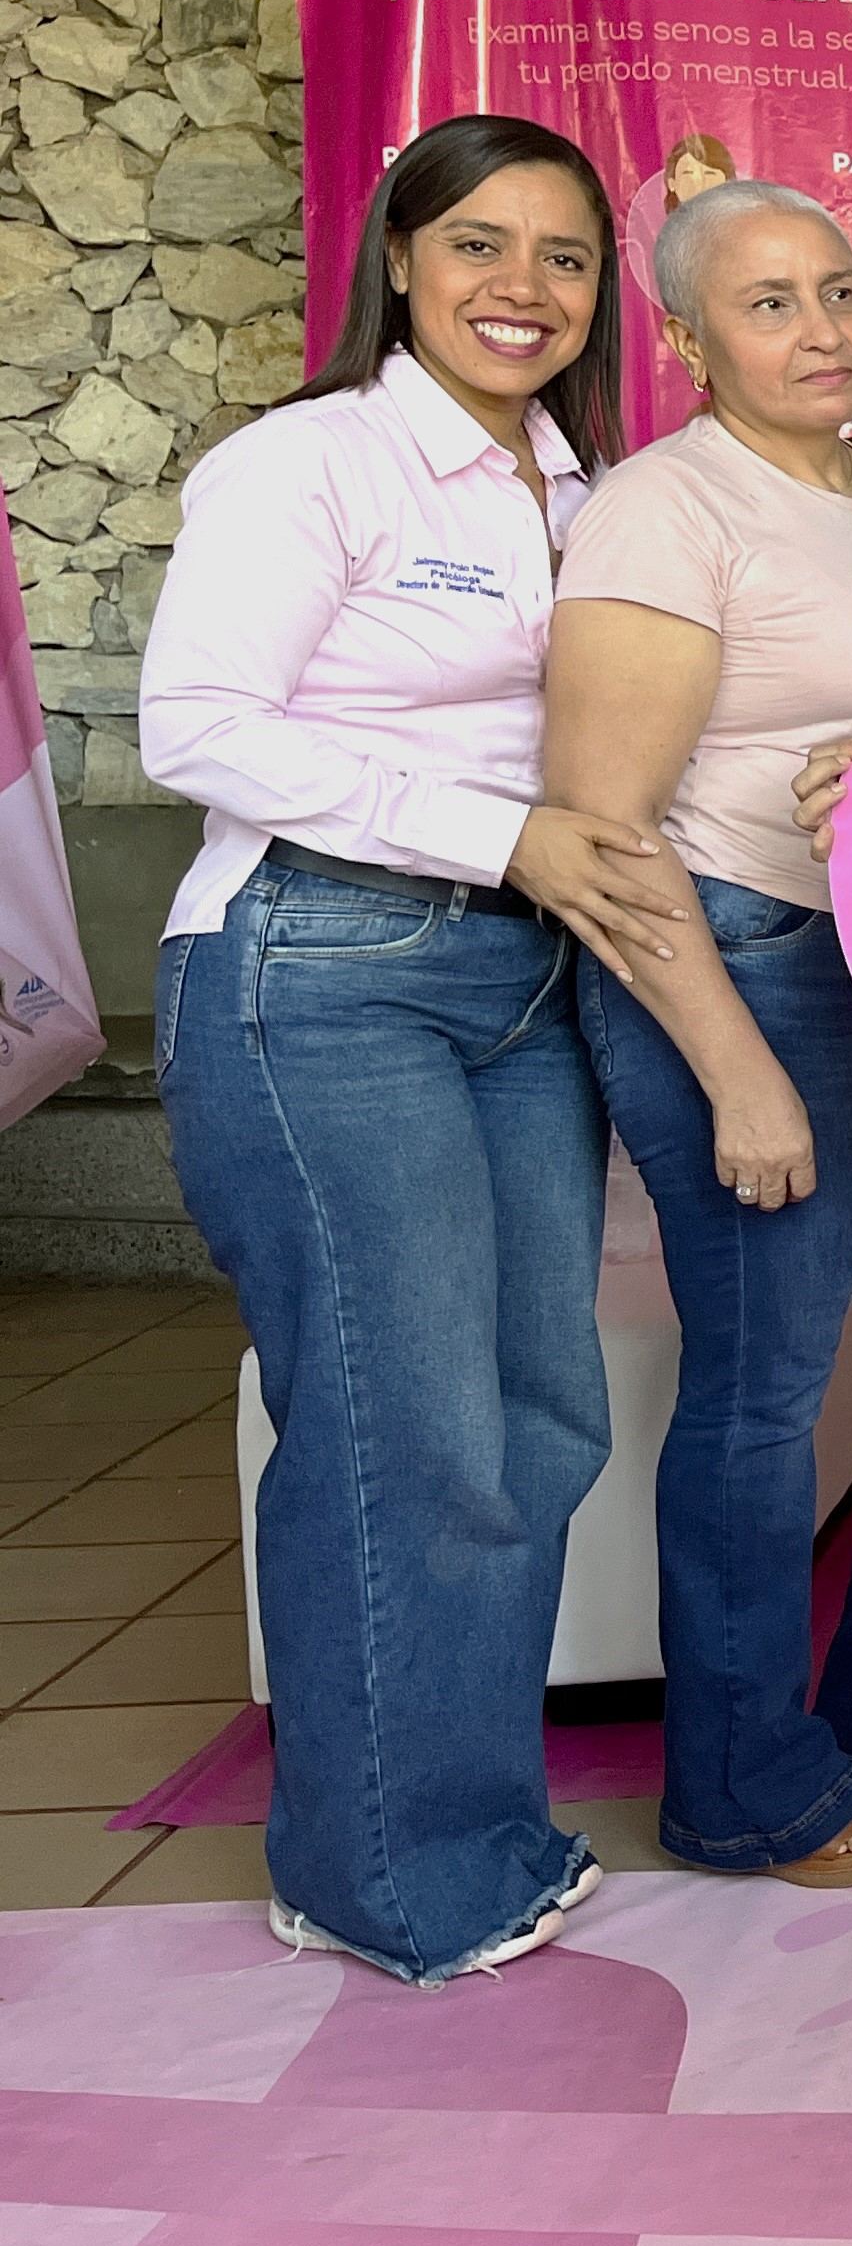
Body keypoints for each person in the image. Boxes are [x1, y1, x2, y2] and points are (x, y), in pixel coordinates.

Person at [140, 113, 692, 1982]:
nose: (519, 288)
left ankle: (464, 1820)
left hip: (523, 980)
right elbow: (196, 726)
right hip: (321, 972)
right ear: (397, 259)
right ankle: (381, 1873)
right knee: (404, 1430)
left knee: (536, 1416)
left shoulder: (585, 488)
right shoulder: (311, 463)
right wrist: (500, 839)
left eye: (561, 254)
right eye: (477, 244)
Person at [544, 182, 852, 1889]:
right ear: (684, 339)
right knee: (764, 1400)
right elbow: (604, 829)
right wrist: (733, 1066)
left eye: (836, 291)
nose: (820, 328)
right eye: (768, 305)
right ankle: (743, 1785)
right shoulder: (662, 509)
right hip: (750, 970)